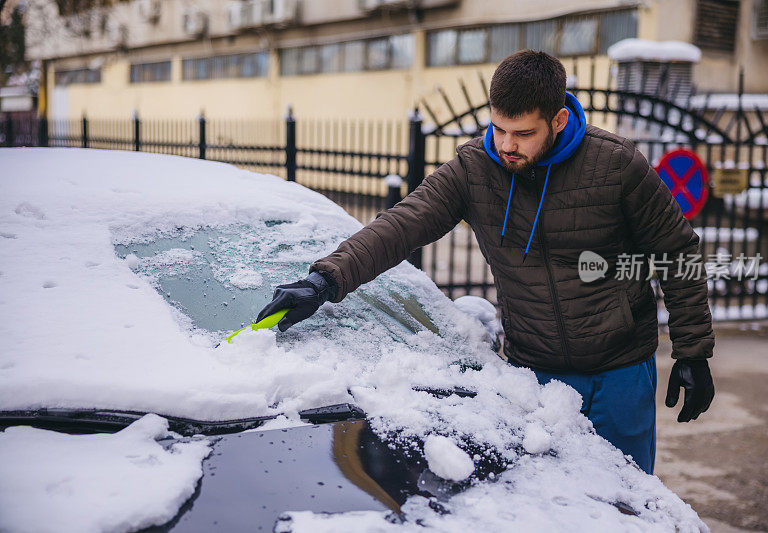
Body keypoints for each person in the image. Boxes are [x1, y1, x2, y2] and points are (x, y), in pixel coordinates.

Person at [256, 50, 715, 475]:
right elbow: (404, 224)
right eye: (498, 128)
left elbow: (677, 253)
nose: (507, 144)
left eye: (523, 133)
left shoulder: (616, 165)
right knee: (546, 505)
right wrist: (325, 280)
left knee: (623, 505)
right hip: (533, 375)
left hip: (620, 372)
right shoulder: (476, 168)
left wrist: (692, 350)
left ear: (557, 120)